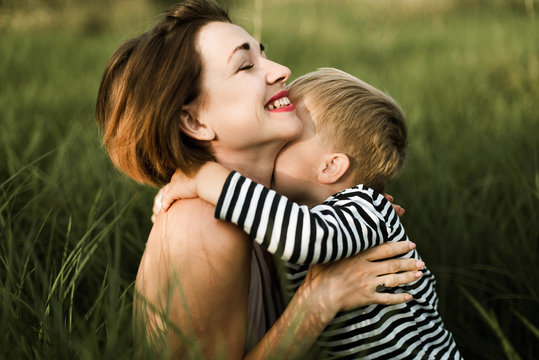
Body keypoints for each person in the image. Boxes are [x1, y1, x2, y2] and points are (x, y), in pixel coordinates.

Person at [95, 1, 425, 358]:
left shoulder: (269, 212)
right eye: (246, 65)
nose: (281, 70)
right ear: (195, 123)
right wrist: (317, 301)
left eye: (262, 54)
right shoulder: (204, 228)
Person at [156, 68, 462, 358]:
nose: (275, 142)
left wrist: (205, 177)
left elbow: (306, 239)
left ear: (330, 167)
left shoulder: (365, 207)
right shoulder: (312, 215)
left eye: (288, 139)